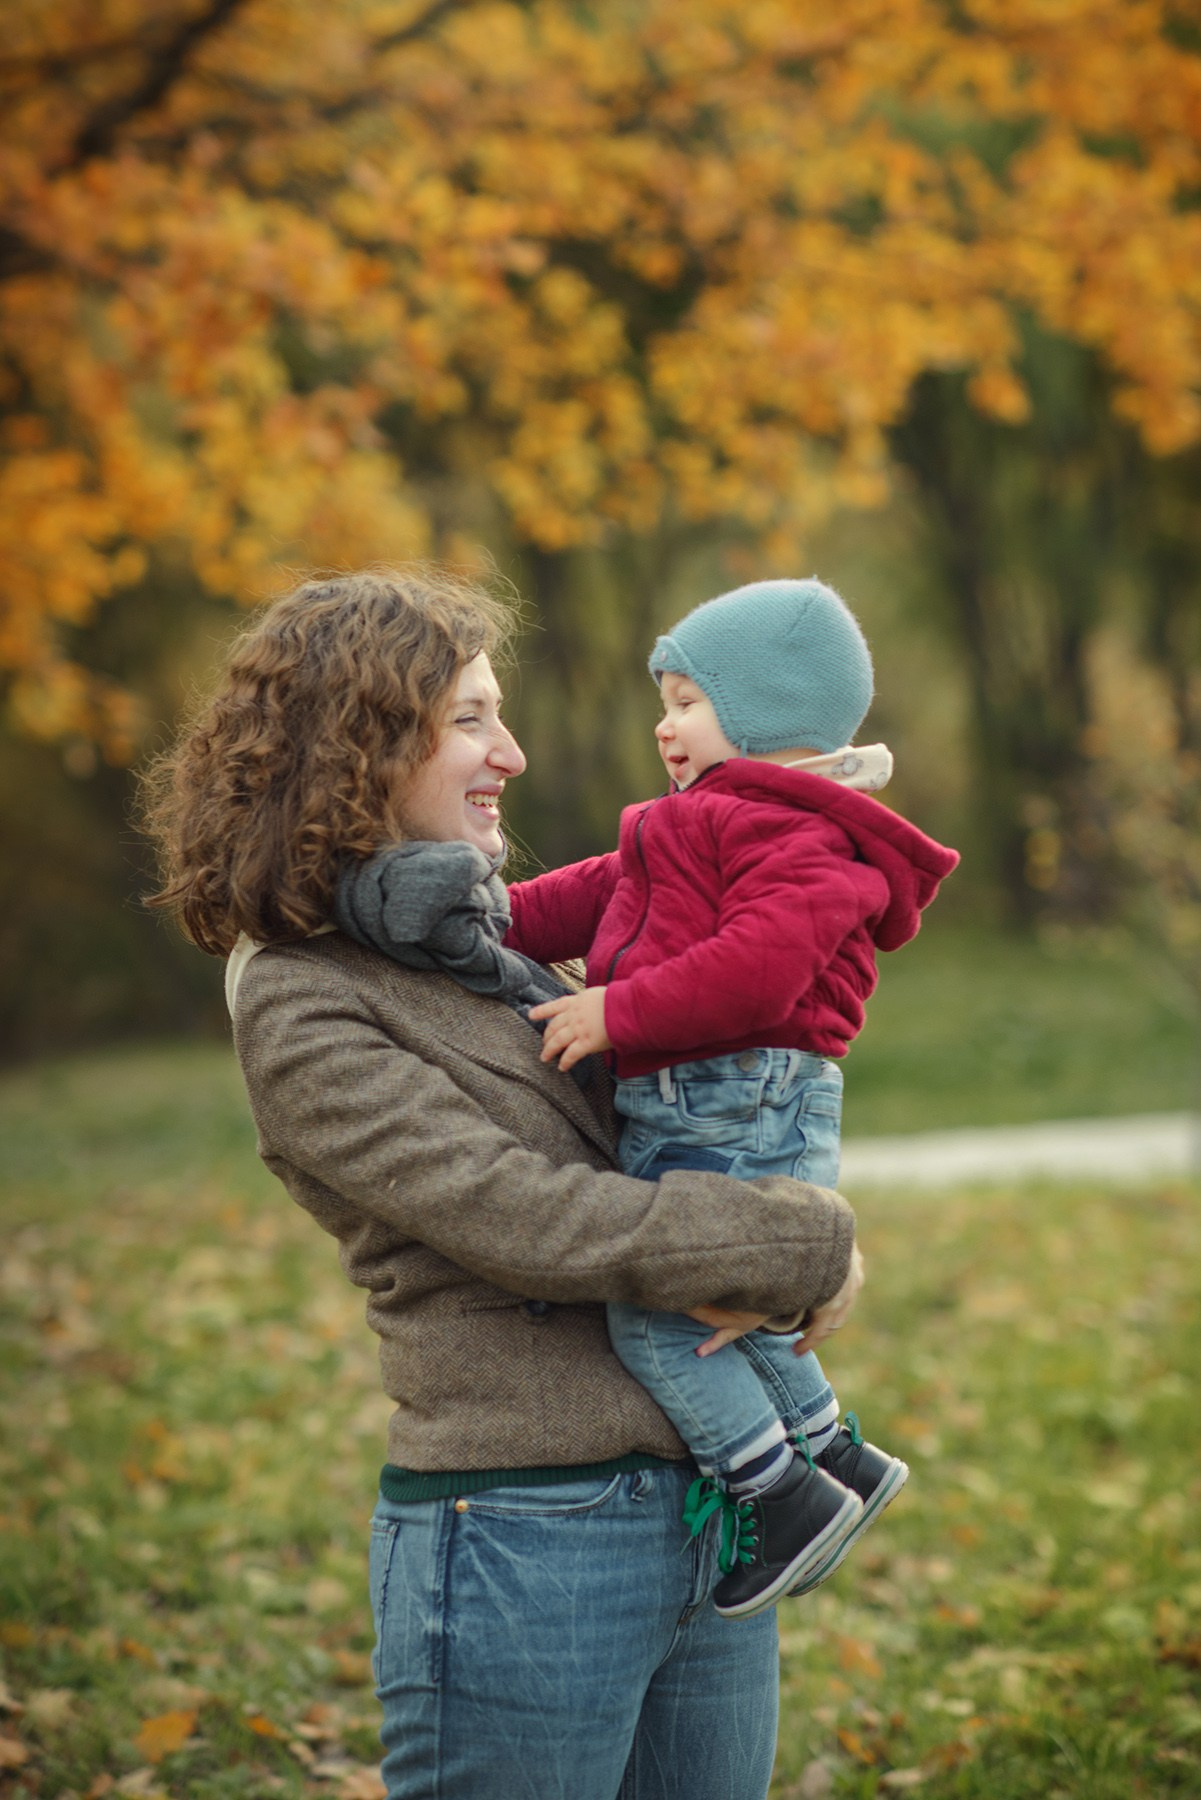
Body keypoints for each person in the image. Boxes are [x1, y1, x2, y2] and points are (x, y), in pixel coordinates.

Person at [140, 566, 865, 1800]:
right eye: (472, 717)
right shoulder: (305, 997)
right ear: (360, 747)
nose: (514, 754)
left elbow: (708, 1113)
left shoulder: (499, 948)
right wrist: (800, 1244)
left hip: (707, 1523)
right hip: (524, 1539)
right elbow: (530, 1221)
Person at [505, 579, 958, 1618]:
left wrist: (619, 1013)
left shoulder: (793, 832)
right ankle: (835, 1455)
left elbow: (759, 970)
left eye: (686, 702)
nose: (664, 726)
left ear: (763, 712)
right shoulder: (710, 817)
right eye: (664, 702)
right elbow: (594, 890)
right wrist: (487, 917)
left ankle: (780, 1495)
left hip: (733, 1088)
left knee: (666, 1315)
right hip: (712, 1088)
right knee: (731, 1310)